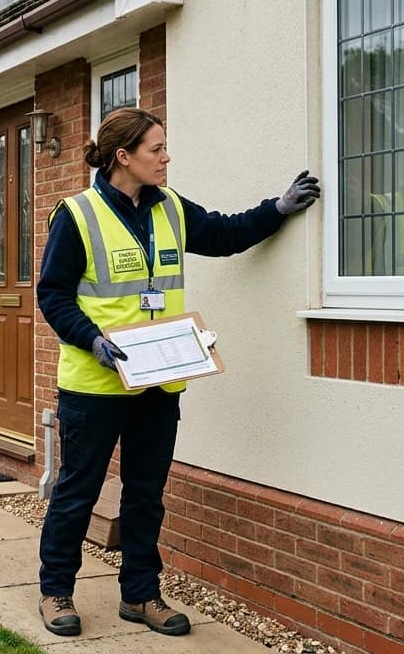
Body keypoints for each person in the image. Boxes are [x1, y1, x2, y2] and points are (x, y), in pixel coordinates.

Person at [36, 107, 320, 637]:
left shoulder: (169, 207)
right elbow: (51, 295)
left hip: (158, 382)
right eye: (156, 149)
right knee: (79, 489)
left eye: (166, 148)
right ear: (124, 157)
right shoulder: (76, 215)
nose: (166, 158)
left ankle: (141, 595)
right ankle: (56, 591)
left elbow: (223, 233)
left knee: (146, 492)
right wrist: (92, 340)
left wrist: (276, 209)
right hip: (94, 384)